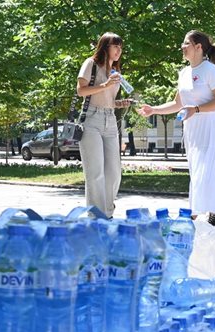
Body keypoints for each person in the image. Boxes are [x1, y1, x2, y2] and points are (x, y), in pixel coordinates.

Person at [138, 30, 215, 226]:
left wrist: (196, 109)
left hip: (210, 127)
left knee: (206, 170)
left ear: (199, 47)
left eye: (186, 43)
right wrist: (154, 110)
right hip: (192, 129)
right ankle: (214, 214)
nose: (182, 47)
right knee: (198, 170)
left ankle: (192, 215)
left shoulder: (212, 71)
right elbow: (178, 104)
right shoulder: (184, 73)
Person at [77, 32, 132, 218]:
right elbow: (81, 91)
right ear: (105, 47)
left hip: (110, 121)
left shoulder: (115, 72)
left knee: (114, 172)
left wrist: (120, 103)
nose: (119, 50)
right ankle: (97, 217)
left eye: (121, 47)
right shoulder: (90, 64)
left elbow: (107, 99)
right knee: (96, 173)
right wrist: (106, 85)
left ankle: (107, 212)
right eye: (115, 46)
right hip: (91, 120)